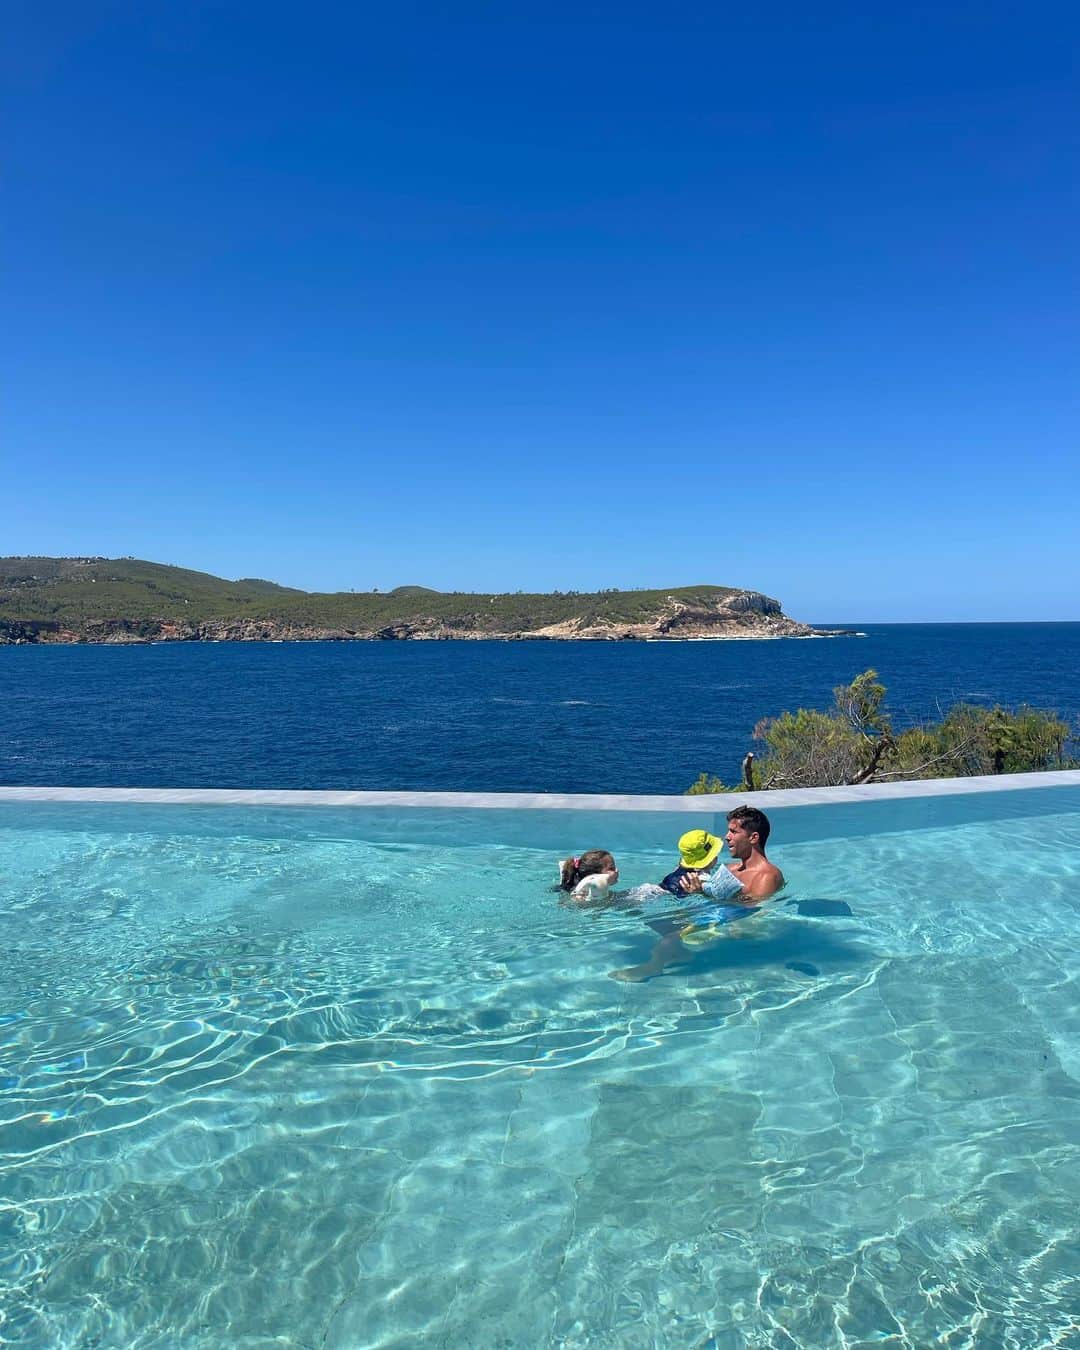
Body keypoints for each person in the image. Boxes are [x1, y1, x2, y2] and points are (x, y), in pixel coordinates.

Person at [610, 807, 784, 982]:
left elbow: (752, 911)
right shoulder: (731, 868)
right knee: (646, 915)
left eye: (733, 832)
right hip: (710, 910)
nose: (726, 837)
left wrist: (703, 894)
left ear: (753, 837)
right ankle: (679, 953)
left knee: (673, 934)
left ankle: (654, 966)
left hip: (730, 920)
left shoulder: (766, 876)